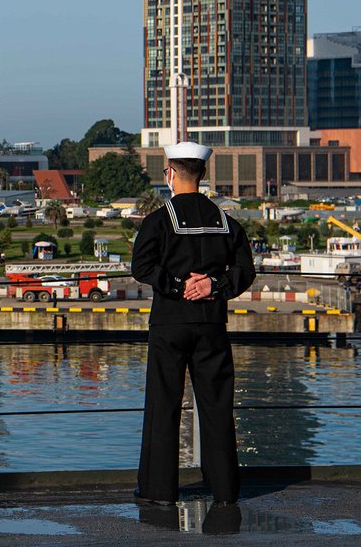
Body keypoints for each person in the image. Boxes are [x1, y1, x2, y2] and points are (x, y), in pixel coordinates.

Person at [131, 141, 256, 506]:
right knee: (217, 406)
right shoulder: (227, 223)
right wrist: (213, 285)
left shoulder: (157, 221)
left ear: (170, 174)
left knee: (163, 405)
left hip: (169, 323)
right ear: (203, 174)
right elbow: (245, 270)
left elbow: (141, 267)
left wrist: (177, 285)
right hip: (211, 324)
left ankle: (158, 491)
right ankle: (225, 490)